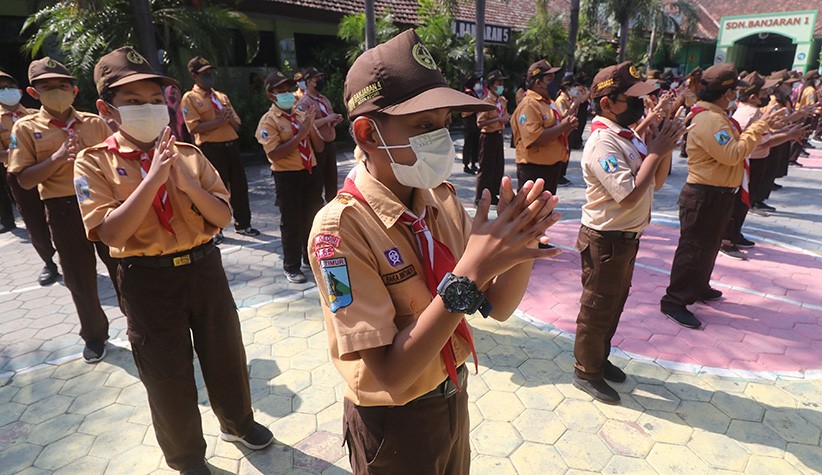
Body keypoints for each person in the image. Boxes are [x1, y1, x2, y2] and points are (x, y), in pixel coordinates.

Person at [309, 29, 561, 474]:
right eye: (424, 126)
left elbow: (498, 306)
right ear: (368, 133)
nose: (441, 138)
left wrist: (519, 249)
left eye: (444, 123)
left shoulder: (439, 199)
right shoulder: (341, 228)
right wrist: (468, 275)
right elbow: (391, 374)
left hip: (452, 393)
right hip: (395, 423)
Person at [75, 46, 273, 475]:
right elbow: (110, 234)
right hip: (148, 278)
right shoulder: (93, 162)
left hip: (203, 268)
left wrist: (186, 182)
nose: (147, 109)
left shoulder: (189, 155)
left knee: (225, 353)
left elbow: (221, 216)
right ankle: (186, 456)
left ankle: (238, 423)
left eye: (152, 100)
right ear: (106, 110)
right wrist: (152, 180)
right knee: (166, 371)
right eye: (132, 102)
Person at [573, 61, 687, 404]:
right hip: (605, 239)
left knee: (614, 305)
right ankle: (586, 371)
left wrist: (658, 148)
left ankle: (598, 358)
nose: (640, 105)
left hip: (624, 239)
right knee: (597, 309)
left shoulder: (628, 136)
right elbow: (628, 195)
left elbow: (656, 180)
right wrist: (655, 150)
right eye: (632, 98)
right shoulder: (602, 143)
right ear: (607, 103)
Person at [7, 57, 120, 362]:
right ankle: (95, 335)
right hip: (63, 209)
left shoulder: (95, 123)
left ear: (74, 89)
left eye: (62, 85)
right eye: (47, 86)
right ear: (33, 92)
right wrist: (56, 159)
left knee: (123, 267)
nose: (56, 91)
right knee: (79, 277)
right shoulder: (26, 128)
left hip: (103, 203)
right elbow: (26, 180)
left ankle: (142, 324)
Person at [659, 63, 783, 329]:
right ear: (726, 94)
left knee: (708, 245)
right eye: (732, 92)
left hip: (717, 193)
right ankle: (674, 301)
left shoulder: (716, 116)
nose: (734, 97)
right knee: (693, 249)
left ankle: (699, 286)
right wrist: (759, 127)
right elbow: (733, 154)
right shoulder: (710, 119)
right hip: (704, 194)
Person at [720, 73, 806, 260]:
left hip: (755, 160)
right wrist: (789, 135)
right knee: (740, 201)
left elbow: (764, 136)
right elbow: (763, 142)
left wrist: (787, 131)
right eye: (764, 92)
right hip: (750, 161)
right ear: (752, 96)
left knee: (745, 201)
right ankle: (727, 239)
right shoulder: (749, 113)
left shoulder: (752, 111)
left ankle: (735, 233)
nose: (767, 95)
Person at [255, 70, 324, 283]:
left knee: (312, 218)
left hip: (309, 171)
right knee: (292, 223)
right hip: (287, 177)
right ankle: (291, 266)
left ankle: (310, 258)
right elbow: (274, 153)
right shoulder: (268, 121)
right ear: (271, 95)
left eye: (287, 90)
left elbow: (319, 147)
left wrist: (310, 128)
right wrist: (300, 135)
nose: (286, 94)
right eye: (280, 91)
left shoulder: (301, 115)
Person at [181, 56, 259, 243]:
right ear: (194, 76)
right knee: (214, 189)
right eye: (204, 74)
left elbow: (237, 124)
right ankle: (216, 229)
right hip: (211, 148)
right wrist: (218, 121)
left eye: (210, 72)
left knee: (239, 186)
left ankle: (243, 223)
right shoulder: (190, 98)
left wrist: (229, 119)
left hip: (231, 145)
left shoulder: (220, 96)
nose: (209, 76)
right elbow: (194, 127)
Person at [0, 70, 59, 285]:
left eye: (9, 86)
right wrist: (23, 153)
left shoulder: (34, 114)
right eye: (1, 88)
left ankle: (73, 257)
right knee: (35, 221)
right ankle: (49, 262)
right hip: (21, 175)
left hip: (52, 171)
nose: (6, 91)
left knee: (62, 216)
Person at [510, 59, 577, 195]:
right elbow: (534, 138)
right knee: (530, 213)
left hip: (551, 166)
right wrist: (562, 126)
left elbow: (556, 131)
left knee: (545, 213)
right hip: (534, 169)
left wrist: (567, 127)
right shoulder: (529, 105)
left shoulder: (548, 103)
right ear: (538, 83)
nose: (554, 83)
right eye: (549, 79)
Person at [296, 66, 344, 203]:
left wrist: (334, 120)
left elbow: (326, 119)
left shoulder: (324, 99)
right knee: (318, 181)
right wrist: (327, 119)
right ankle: (317, 209)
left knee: (332, 179)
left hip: (330, 143)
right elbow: (306, 126)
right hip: (317, 146)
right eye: (318, 78)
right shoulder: (304, 103)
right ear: (309, 81)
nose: (321, 80)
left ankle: (333, 206)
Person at [475, 69, 509, 205]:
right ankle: (480, 196)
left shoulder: (502, 101)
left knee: (498, 166)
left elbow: (504, 116)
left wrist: (504, 119)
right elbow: (480, 122)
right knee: (486, 167)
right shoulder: (487, 102)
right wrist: (499, 120)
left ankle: (493, 194)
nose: (501, 85)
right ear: (491, 85)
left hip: (498, 135)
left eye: (502, 82)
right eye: (498, 82)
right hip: (488, 136)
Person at [460, 72, 481, 174]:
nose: (477, 83)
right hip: (468, 121)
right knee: (468, 143)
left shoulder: (472, 92)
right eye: (475, 81)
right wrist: (476, 108)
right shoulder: (466, 93)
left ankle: (473, 163)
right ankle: (466, 164)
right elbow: (465, 111)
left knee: (475, 143)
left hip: (474, 120)